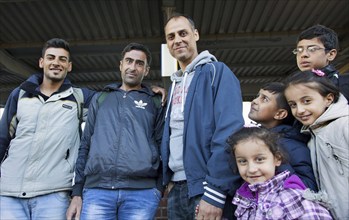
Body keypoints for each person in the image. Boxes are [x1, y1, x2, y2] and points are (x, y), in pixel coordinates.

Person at [66, 42, 165, 220]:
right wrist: (78, 191)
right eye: (129, 61)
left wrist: (158, 188)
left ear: (146, 70)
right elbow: (85, 145)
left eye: (139, 63)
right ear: (121, 65)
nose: (133, 67)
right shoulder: (101, 98)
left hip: (142, 193)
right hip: (97, 191)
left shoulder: (155, 102)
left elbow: (162, 146)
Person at [161, 13, 244, 219]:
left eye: (183, 33)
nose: (177, 40)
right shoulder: (173, 85)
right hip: (177, 187)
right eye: (171, 37)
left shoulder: (217, 71)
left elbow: (229, 131)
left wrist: (215, 191)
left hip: (207, 188)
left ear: (195, 35)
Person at [0, 38, 95, 219]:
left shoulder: (80, 97)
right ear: (41, 62)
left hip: (54, 194)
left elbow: (113, 100)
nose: (56, 63)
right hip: (9, 192)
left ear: (69, 66)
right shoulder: (19, 94)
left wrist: (146, 92)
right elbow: (3, 138)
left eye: (62, 59)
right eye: (51, 57)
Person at [226, 127, 333, 219]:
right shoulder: (243, 198)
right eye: (243, 161)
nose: (251, 169)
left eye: (259, 159)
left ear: (277, 159)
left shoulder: (294, 197)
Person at [284, 69, 349, 219]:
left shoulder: (344, 125)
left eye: (307, 101)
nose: (299, 110)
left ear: (329, 99)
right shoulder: (313, 136)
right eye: (293, 105)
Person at [248, 82, 317, 191]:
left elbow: (309, 186)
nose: (254, 101)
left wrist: (277, 161)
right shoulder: (256, 139)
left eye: (264, 99)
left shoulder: (293, 145)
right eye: (258, 96)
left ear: (280, 114)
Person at [293, 24, 349, 101]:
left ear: (331, 54)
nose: (303, 55)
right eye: (299, 50)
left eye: (312, 49)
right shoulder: (291, 89)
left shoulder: (345, 83)